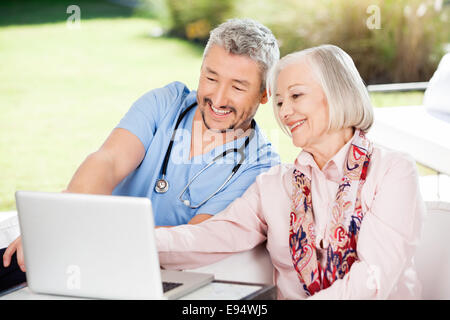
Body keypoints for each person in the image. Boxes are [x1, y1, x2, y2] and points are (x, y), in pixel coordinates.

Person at [1, 18, 280, 279]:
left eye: (238, 87)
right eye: (211, 78)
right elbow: (107, 161)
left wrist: (87, 232)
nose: (217, 98)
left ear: (265, 93)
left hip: (154, 273)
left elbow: (193, 237)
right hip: (83, 249)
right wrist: (60, 219)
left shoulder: (260, 167)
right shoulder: (166, 103)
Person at [154, 44, 426, 299]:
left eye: (296, 96)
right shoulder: (274, 184)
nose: (284, 112)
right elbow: (213, 236)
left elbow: (372, 279)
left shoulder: (393, 171)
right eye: (280, 102)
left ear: (337, 92)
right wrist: (140, 239)